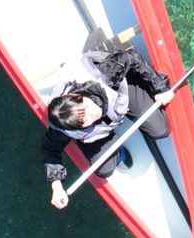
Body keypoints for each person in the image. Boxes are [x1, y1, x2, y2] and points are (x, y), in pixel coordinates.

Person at [40, 43, 172, 208]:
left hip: (119, 92)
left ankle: (140, 92)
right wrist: (56, 186)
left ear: (77, 96)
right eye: (84, 120)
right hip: (101, 127)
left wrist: (160, 87)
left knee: (160, 130)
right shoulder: (64, 129)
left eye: (85, 106)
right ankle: (117, 150)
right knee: (104, 170)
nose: (92, 112)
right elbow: (50, 150)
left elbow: (131, 57)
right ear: (75, 129)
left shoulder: (105, 74)